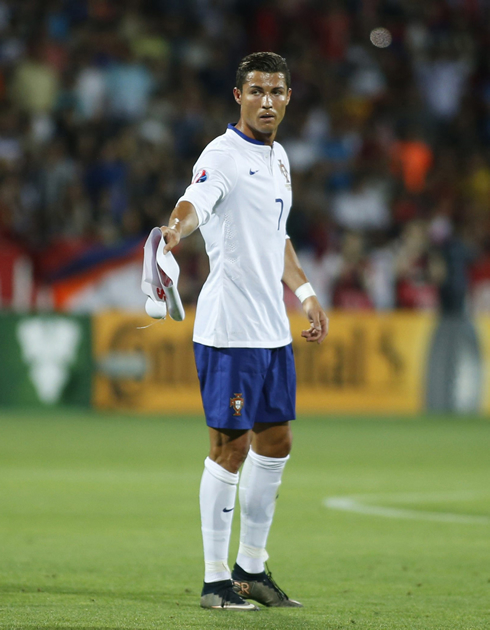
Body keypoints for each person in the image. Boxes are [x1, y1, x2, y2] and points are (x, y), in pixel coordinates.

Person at [160, 52, 328, 611]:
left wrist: (304, 294)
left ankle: (251, 569)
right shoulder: (223, 154)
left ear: (287, 99)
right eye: (256, 91)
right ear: (238, 96)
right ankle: (213, 581)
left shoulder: (278, 158)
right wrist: (174, 231)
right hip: (229, 330)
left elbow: (276, 237)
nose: (267, 101)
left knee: (275, 443)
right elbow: (195, 201)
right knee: (228, 449)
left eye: (277, 92)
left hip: (271, 331)